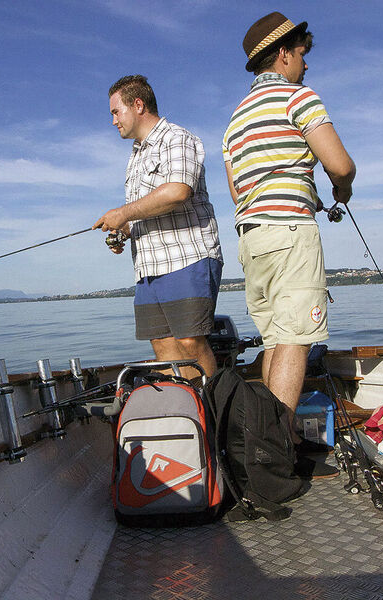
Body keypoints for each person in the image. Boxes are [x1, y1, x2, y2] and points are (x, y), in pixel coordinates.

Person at [223, 13, 356, 476]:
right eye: (301, 54)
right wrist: (342, 189)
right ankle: (273, 460)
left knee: (277, 340)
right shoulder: (298, 97)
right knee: (297, 340)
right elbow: (339, 164)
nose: (304, 64)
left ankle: (275, 444)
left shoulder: (235, 120)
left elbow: (239, 193)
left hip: (252, 240)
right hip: (292, 234)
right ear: (283, 54)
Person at [94, 75, 223, 378]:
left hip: (187, 259)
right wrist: (122, 230)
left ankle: (214, 417)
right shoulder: (135, 156)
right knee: (163, 348)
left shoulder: (176, 138)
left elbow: (178, 191)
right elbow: (145, 212)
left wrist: (123, 212)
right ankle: (187, 418)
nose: (113, 120)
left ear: (137, 105)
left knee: (191, 342)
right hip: (148, 268)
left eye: (116, 112)